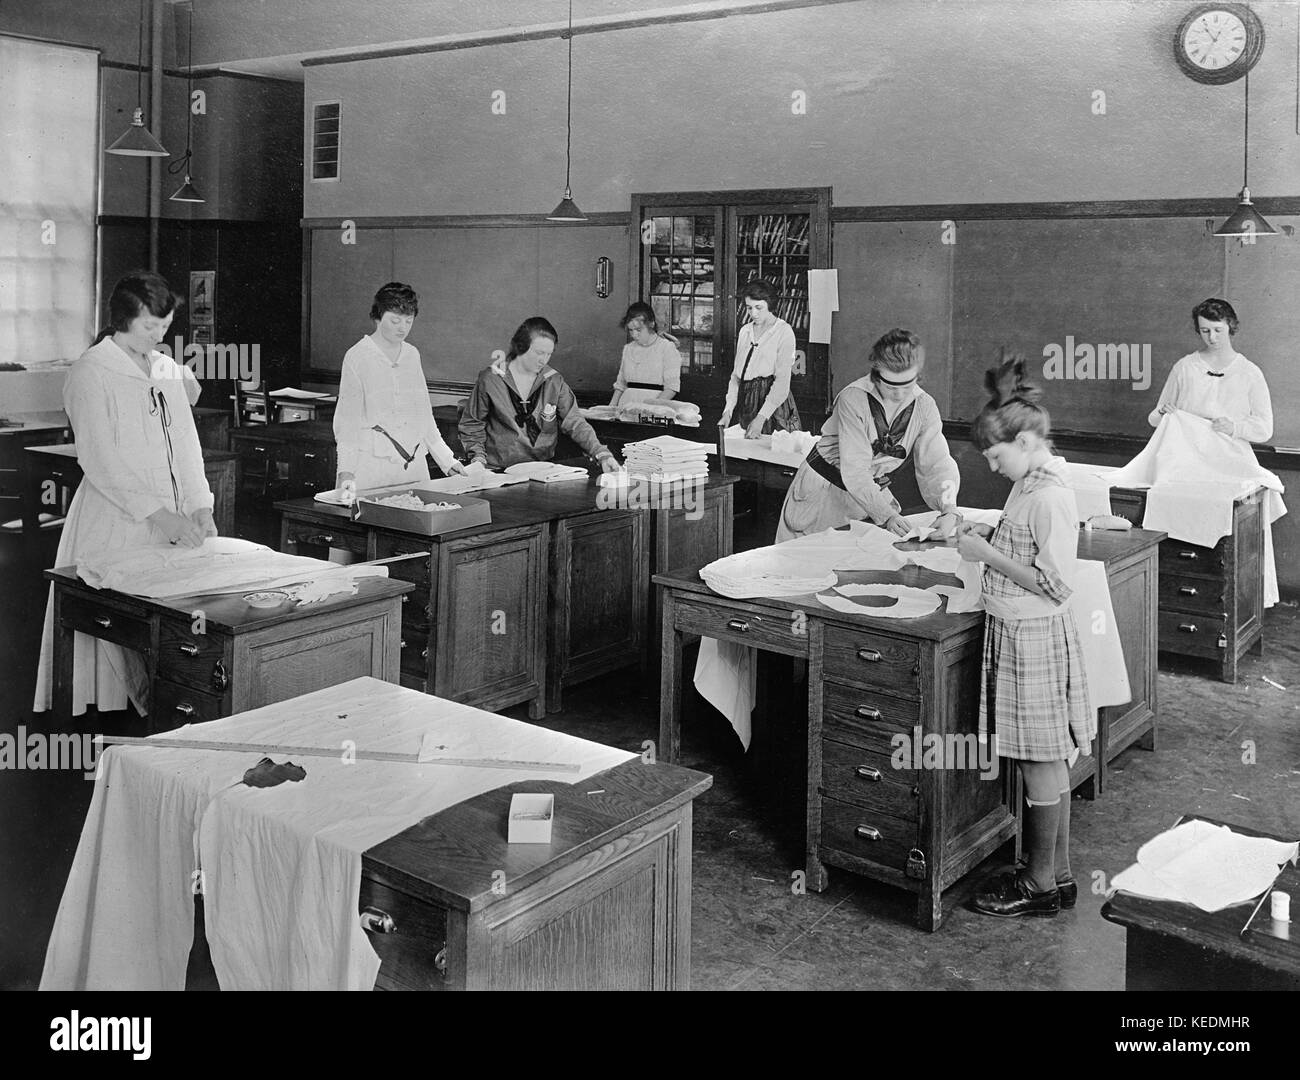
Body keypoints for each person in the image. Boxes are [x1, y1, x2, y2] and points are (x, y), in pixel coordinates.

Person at [33, 271, 216, 716]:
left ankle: (160, 718)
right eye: (149, 327)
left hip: (173, 520)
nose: (158, 336)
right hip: (117, 518)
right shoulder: (91, 371)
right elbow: (101, 462)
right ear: (122, 320)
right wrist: (160, 515)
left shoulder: (166, 369)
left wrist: (200, 505)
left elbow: (186, 445)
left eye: (165, 327)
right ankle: (103, 730)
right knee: (112, 633)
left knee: (166, 630)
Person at [955, 355, 1091, 919]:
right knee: (1045, 757)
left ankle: (1036, 884)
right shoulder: (1027, 485)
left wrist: (985, 554)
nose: (991, 465)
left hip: (1033, 634)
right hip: (1018, 631)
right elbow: (1024, 543)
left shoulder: (1051, 494)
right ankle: (1054, 874)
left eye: (996, 454)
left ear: (1030, 440)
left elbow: (1057, 585)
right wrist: (990, 531)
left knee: (1040, 759)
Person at [776, 328, 962, 541]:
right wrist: (886, 515)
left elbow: (938, 464)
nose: (900, 394)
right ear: (876, 375)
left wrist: (949, 509)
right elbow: (855, 470)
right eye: (891, 386)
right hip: (824, 491)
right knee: (808, 565)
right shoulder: (853, 399)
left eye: (907, 385)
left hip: (868, 494)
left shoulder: (925, 406)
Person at [333, 282, 466, 501]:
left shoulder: (412, 355)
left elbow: (423, 416)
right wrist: (346, 473)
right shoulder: (357, 356)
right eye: (395, 320)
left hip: (413, 468)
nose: (402, 328)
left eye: (408, 320)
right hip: (372, 467)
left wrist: (447, 461)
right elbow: (348, 424)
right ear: (377, 317)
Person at [459, 317, 621, 472]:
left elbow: (575, 423)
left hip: (542, 469)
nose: (544, 360)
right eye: (539, 353)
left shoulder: (554, 380)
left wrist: (602, 454)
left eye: (548, 354)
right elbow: (472, 424)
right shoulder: (491, 378)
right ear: (521, 347)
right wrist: (478, 459)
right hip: (498, 469)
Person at [1148, 297, 1273, 447]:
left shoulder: (1250, 373)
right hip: (1186, 450)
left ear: (1230, 326)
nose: (1212, 338)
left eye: (1218, 330)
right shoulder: (1185, 367)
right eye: (1205, 331)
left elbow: (1265, 428)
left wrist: (1235, 428)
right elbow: (1154, 419)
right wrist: (1163, 412)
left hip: (1229, 453)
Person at [719, 280, 801, 437]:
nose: (753, 313)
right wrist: (728, 411)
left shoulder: (784, 331)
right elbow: (736, 377)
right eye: (749, 308)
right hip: (747, 401)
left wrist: (761, 418)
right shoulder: (745, 331)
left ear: (770, 304)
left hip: (773, 406)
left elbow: (782, 382)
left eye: (759, 308)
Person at [608, 302, 680, 407]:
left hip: (655, 406)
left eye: (638, 330)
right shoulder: (628, 349)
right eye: (631, 330)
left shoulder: (667, 348)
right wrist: (609, 409)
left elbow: (672, 388)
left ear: (651, 324)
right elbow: (620, 385)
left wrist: (649, 409)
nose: (634, 335)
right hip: (625, 405)